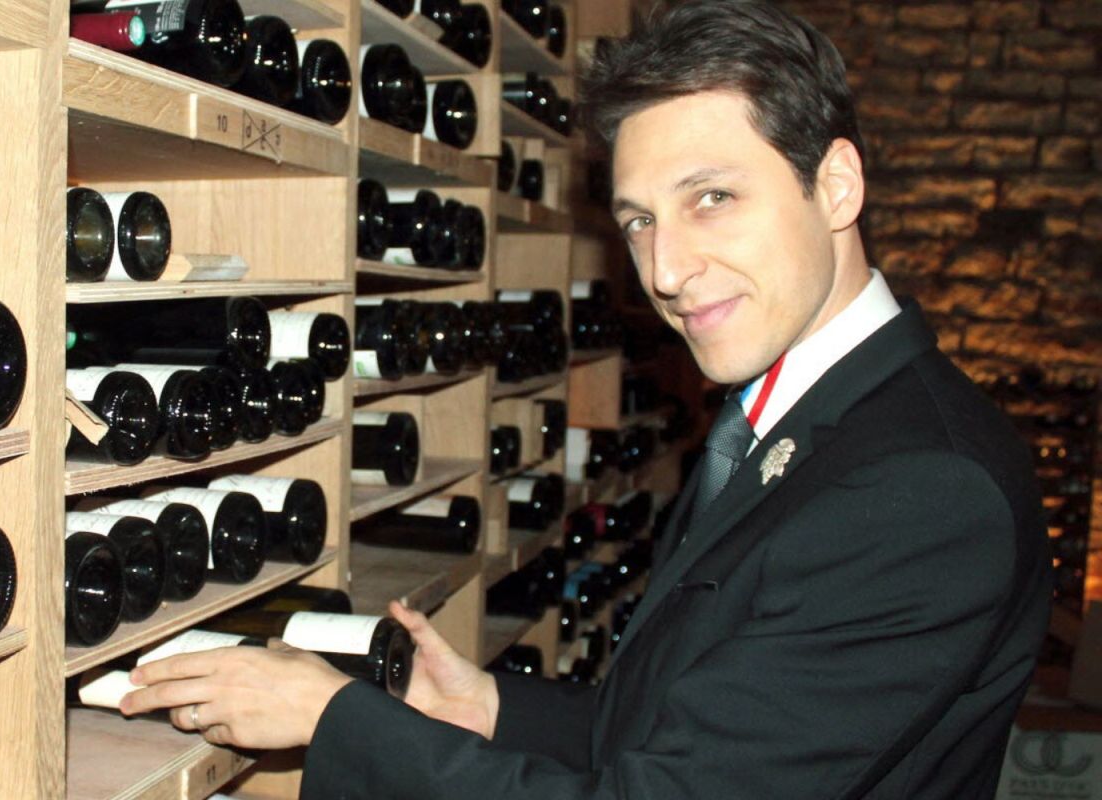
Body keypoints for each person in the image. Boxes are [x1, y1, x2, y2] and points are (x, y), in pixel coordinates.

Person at [119, 1, 1051, 796]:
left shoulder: (923, 489)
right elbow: (689, 722)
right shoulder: (788, 415)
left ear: (836, 185)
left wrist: (337, 721)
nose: (666, 269)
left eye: (712, 198)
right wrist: (487, 706)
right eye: (640, 219)